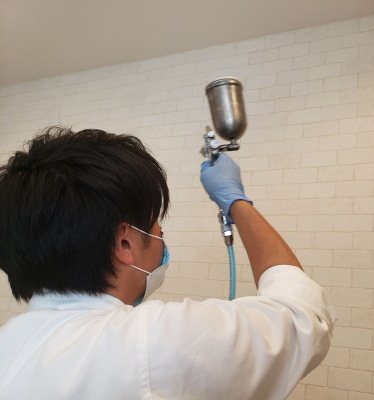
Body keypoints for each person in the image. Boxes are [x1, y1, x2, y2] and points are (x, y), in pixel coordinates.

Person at [0, 126, 336, 400]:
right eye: (155, 225)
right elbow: (304, 317)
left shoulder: (8, 343)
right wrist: (236, 202)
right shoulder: (151, 343)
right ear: (125, 243)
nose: (161, 236)